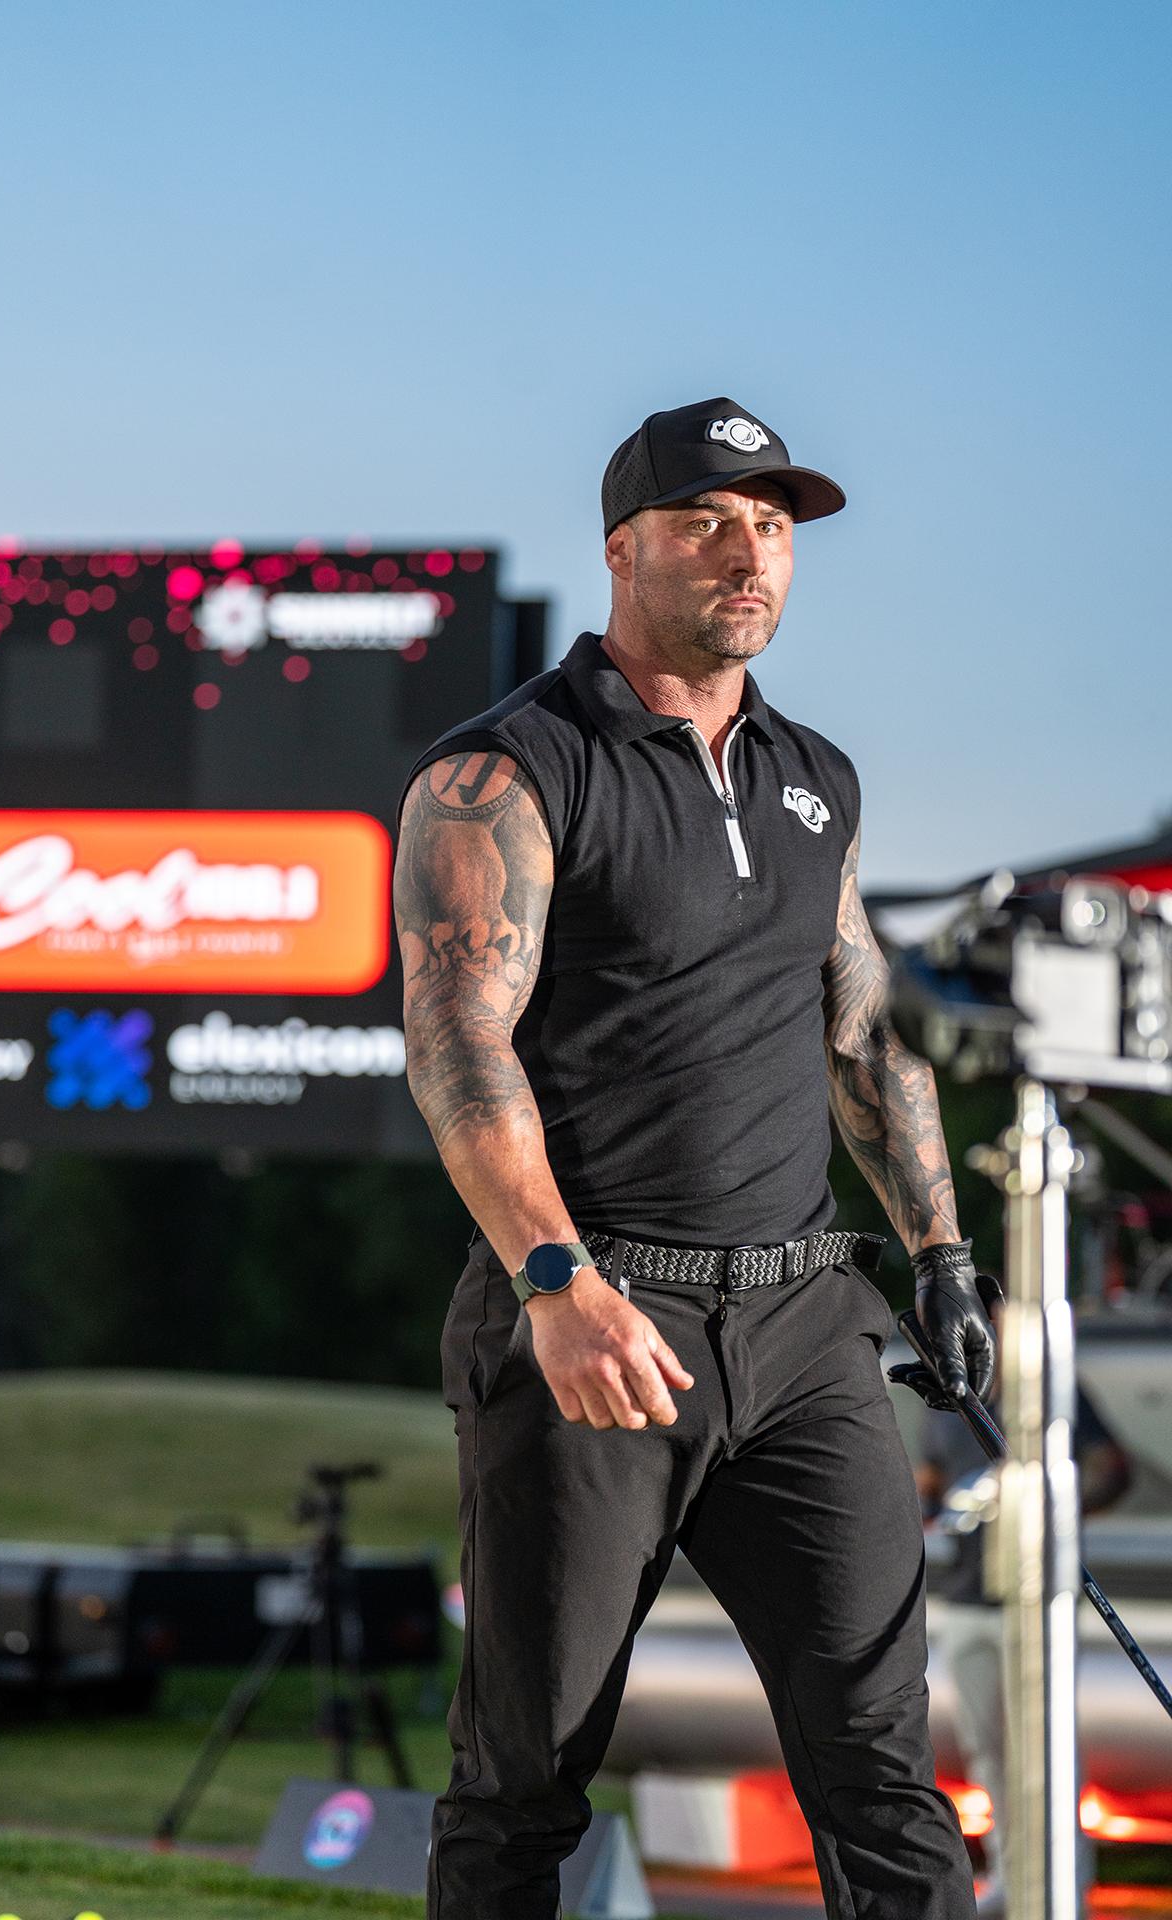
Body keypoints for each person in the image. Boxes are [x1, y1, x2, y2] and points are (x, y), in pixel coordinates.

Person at [393, 396, 998, 1920]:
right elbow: (463, 1045)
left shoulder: (820, 780)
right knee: (526, 1778)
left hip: (802, 1328)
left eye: (777, 525)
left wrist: (941, 1258)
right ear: (622, 548)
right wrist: (555, 1281)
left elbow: (862, 1035)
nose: (751, 553)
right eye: (711, 521)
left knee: (882, 1769)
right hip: (601, 1321)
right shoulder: (505, 775)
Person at [916, 1358, 1132, 1914]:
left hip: (1037, 1602)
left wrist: (1056, 1516)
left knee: (1047, 1750)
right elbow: (930, 1483)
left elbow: (1113, 1468)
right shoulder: (950, 1397)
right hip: (966, 1597)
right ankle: (1011, 1881)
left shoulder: (1054, 1385)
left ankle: (1066, 1892)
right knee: (987, 1751)